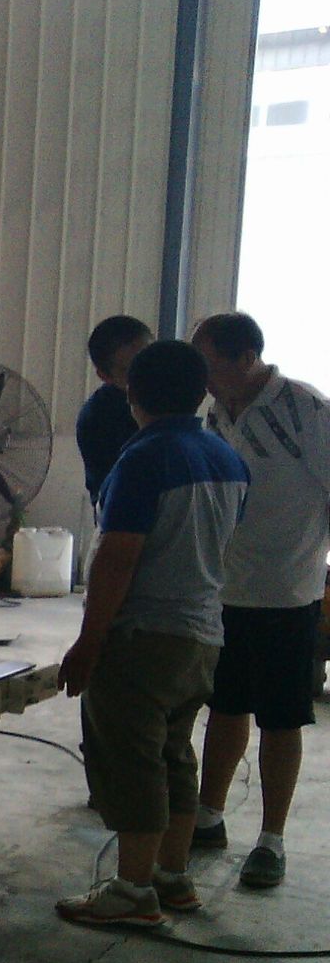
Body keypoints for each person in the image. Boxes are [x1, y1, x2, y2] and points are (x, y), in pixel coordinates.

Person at [56, 339, 249, 926]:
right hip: (203, 636)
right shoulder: (227, 459)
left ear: (132, 394)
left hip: (143, 637)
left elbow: (118, 557)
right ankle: (172, 876)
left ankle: (133, 891)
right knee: (173, 756)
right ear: (201, 393)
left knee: (133, 762)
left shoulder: (143, 459)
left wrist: (89, 643)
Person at [188, 311, 330, 888]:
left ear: (246, 358)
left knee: (281, 717)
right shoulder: (214, 415)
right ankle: (208, 815)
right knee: (224, 707)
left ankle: (272, 840)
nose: (201, 376)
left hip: (287, 593)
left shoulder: (306, 411)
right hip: (224, 590)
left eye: (208, 363)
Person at [78, 315, 153, 509]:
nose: (146, 375)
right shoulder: (96, 419)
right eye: (130, 371)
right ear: (105, 376)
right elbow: (108, 496)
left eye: (150, 361)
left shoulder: (175, 393)